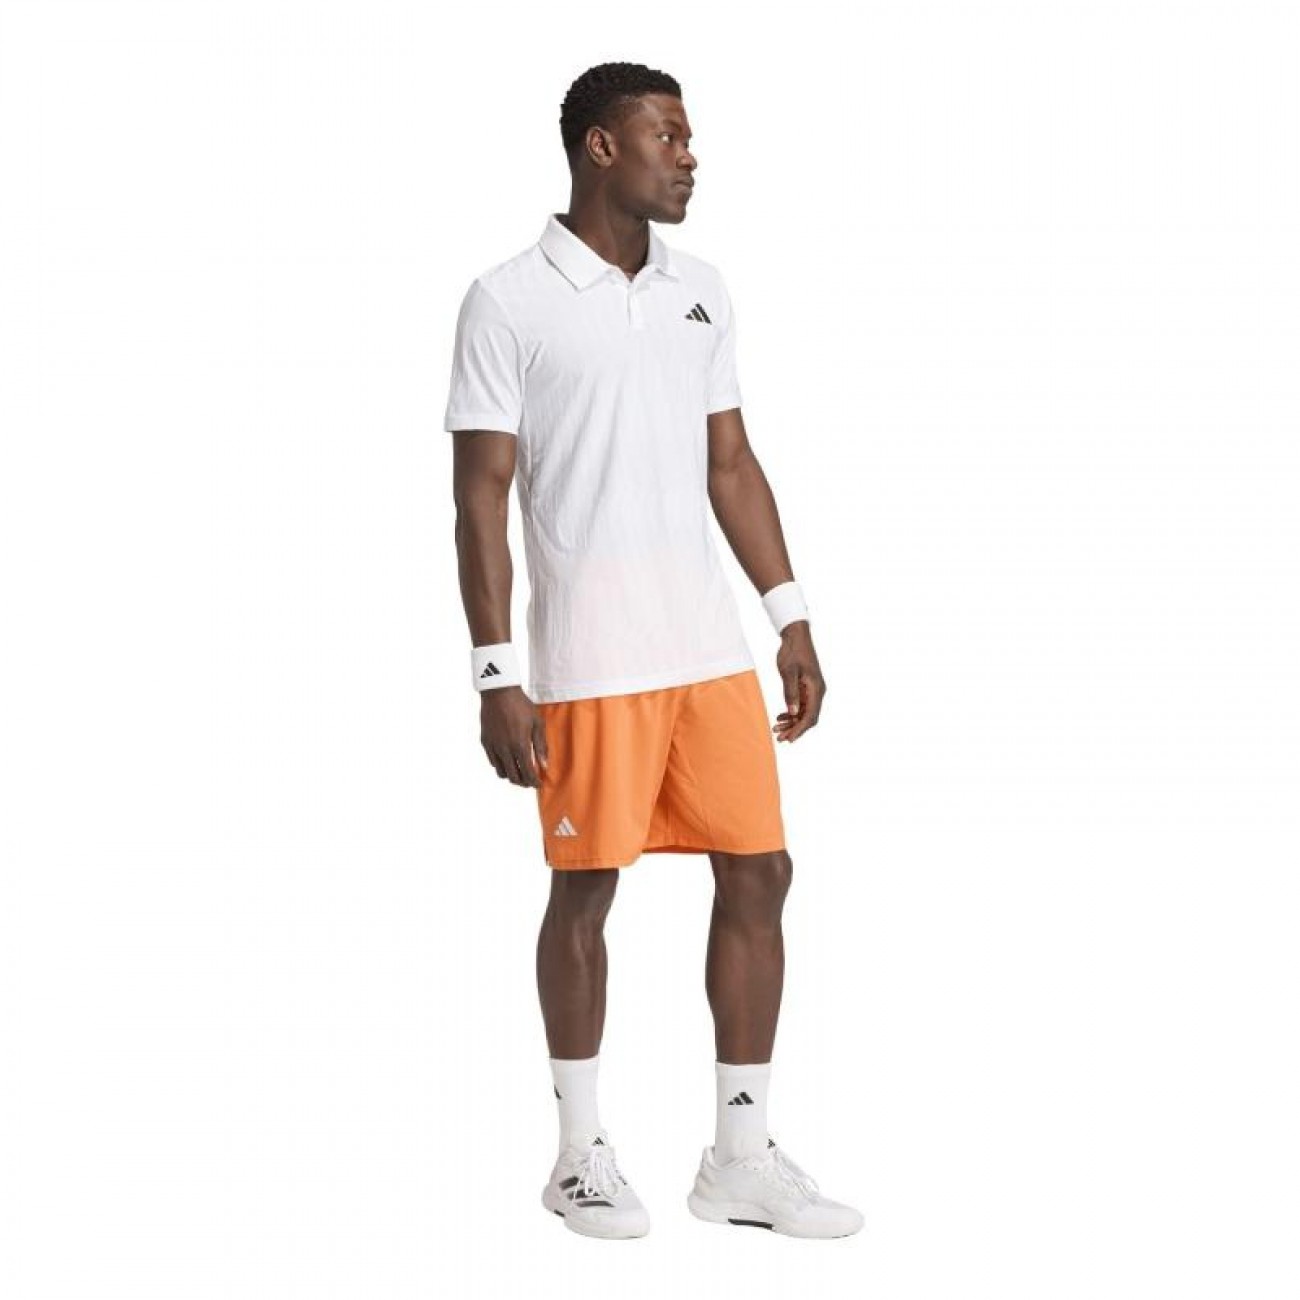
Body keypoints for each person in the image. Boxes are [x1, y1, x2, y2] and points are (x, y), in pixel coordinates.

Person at [443, 61, 863, 1240]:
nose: (688, 156)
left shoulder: (701, 290)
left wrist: (789, 614)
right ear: (600, 147)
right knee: (586, 890)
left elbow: (730, 461)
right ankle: (578, 1154)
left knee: (761, 872)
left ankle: (739, 1158)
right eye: (666, 136)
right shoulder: (506, 300)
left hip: (706, 650)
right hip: (590, 660)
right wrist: (495, 674)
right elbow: (480, 496)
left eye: (687, 137)